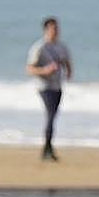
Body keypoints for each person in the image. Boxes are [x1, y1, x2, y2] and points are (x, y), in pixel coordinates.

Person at [26, 17, 73, 161]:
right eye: (53, 28)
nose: (56, 31)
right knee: (51, 115)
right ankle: (47, 149)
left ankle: (48, 148)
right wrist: (45, 70)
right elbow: (29, 69)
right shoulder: (39, 48)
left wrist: (69, 72)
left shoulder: (61, 47)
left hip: (57, 85)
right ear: (46, 30)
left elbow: (66, 61)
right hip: (44, 86)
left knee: (53, 116)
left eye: (57, 28)